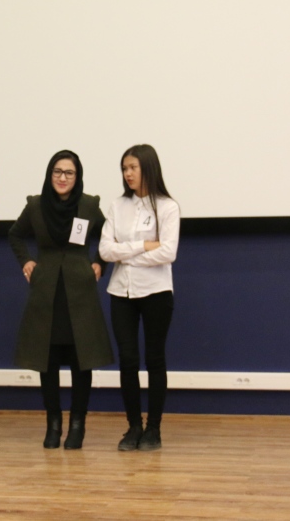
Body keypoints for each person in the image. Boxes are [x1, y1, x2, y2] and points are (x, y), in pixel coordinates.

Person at [9, 150, 114, 450]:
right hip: (46, 291)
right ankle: (53, 423)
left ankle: (78, 425)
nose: (63, 178)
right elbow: (15, 235)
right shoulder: (36, 205)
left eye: (69, 172)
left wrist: (100, 263)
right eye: (57, 171)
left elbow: (109, 236)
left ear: (77, 177)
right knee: (48, 359)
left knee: (82, 360)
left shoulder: (88, 205)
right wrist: (26, 261)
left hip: (80, 291)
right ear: (49, 174)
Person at [99, 144, 180, 452]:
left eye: (133, 167)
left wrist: (126, 252)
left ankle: (153, 429)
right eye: (124, 168)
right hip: (121, 292)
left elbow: (168, 252)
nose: (128, 174)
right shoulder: (117, 205)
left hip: (156, 291)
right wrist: (144, 246)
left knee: (155, 359)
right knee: (128, 360)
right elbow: (105, 250)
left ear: (148, 168)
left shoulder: (168, 207)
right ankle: (133, 426)